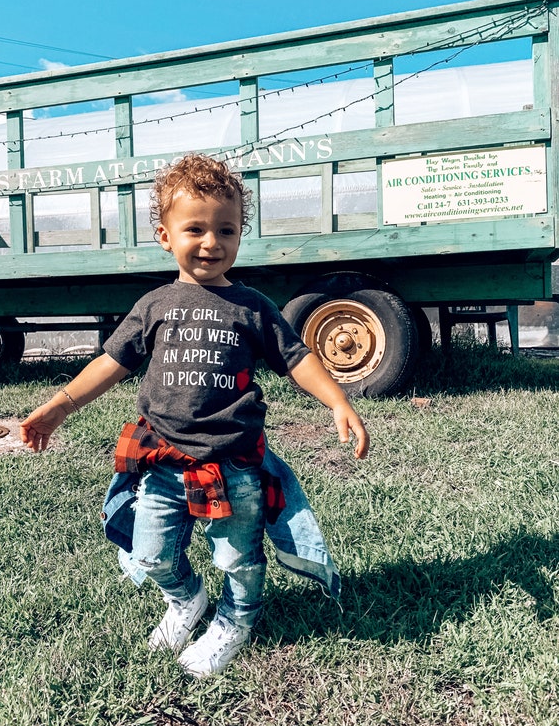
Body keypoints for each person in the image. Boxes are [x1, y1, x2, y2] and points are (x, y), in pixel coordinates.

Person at [20, 153, 369, 677]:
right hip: (162, 460)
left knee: (237, 557)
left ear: (240, 235)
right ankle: (186, 600)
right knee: (152, 554)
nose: (211, 242)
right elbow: (112, 362)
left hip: (234, 466)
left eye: (225, 229)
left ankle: (238, 616)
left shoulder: (253, 307)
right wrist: (60, 405)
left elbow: (297, 359)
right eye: (195, 228)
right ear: (165, 236)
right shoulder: (155, 304)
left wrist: (338, 400)